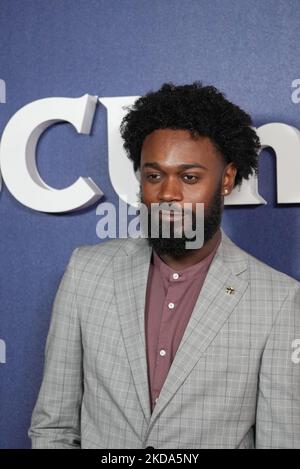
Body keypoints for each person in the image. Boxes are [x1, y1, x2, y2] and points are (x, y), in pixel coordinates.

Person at [28, 82, 300, 449]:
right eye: (154, 176)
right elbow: (53, 428)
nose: (168, 194)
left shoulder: (279, 300)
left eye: (189, 177)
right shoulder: (86, 273)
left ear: (227, 179)